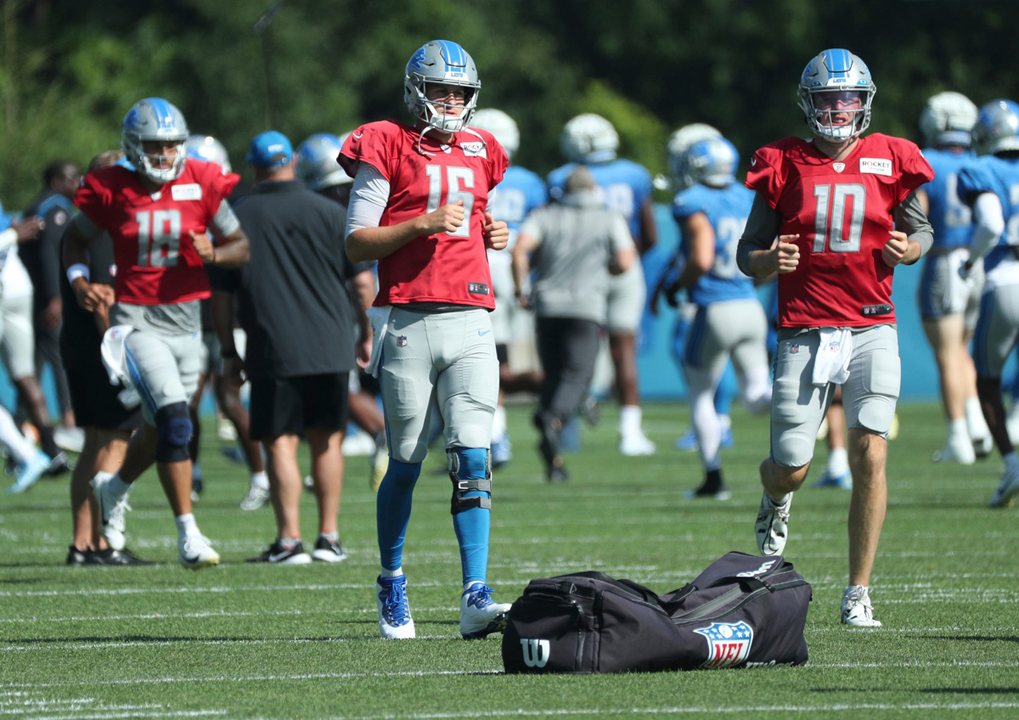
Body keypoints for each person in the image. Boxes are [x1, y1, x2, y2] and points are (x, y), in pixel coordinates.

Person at [736, 49, 934, 627]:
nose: (838, 109)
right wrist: (770, 259)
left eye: (848, 98)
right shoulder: (781, 161)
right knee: (792, 464)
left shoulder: (894, 157)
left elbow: (919, 228)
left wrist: (912, 247)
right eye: (828, 99)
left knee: (871, 447)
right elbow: (748, 254)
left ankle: (857, 590)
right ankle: (775, 496)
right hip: (805, 325)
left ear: (865, 102)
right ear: (809, 103)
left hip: (873, 321)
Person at [339, 39, 512, 640]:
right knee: (406, 459)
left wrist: (495, 231)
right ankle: (391, 577)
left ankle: (475, 591)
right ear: (416, 90)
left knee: (473, 457)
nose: (453, 100)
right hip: (408, 319)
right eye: (442, 89)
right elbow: (357, 241)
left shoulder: (484, 148)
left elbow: (481, 217)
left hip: (471, 316)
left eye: (461, 91)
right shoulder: (385, 141)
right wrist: (417, 224)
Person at [64, 97, 250, 569]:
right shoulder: (111, 186)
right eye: (155, 146)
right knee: (178, 422)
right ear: (133, 145)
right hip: (135, 321)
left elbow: (241, 246)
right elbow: (74, 238)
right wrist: (79, 281)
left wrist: (214, 253)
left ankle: (115, 486)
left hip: (187, 323)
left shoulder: (202, 179)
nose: (165, 156)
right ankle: (188, 533)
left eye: (172, 146)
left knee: (157, 430)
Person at [212, 130, 369, 564]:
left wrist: (228, 352)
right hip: (331, 344)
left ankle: (289, 541)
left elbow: (222, 298)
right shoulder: (332, 212)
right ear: (293, 161)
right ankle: (330, 538)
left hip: (272, 345)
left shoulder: (236, 216)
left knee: (280, 442)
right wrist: (367, 332)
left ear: (253, 166)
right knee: (328, 441)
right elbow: (361, 283)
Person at [657, 136, 772, 500]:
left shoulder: (693, 201)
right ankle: (810, 397)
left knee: (701, 394)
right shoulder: (747, 196)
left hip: (715, 308)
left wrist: (677, 283)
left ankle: (713, 480)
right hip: (750, 305)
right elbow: (768, 262)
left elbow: (702, 257)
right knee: (757, 395)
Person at [512, 166, 635, 481]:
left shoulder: (545, 214)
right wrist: (605, 269)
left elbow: (521, 249)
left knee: (554, 376)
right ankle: (550, 417)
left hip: (547, 306)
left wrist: (520, 288)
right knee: (579, 375)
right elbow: (624, 260)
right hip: (585, 307)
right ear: (592, 190)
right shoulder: (609, 217)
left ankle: (555, 464)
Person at [60, 149, 151, 566]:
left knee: (95, 442)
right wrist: (122, 358)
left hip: (80, 348)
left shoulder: (83, 228)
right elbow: (102, 300)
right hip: (102, 351)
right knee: (114, 440)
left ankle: (84, 542)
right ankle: (99, 541)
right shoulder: (100, 230)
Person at [549, 113, 657, 456]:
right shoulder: (634, 175)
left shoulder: (562, 177)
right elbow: (650, 234)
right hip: (626, 269)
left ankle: (570, 419)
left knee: (575, 350)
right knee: (624, 350)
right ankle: (630, 432)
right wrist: (623, 256)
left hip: (580, 274)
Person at [295, 131, 389, 492]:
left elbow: (360, 278)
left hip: (341, 308)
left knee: (337, 388)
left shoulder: (327, 211)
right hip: (359, 302)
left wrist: (366, 329)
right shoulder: (363, 194)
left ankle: (380, 434)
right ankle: (328, 460)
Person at [184, 133, 270, 509]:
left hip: (225, 313)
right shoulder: (179, 202)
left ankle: (261, 476)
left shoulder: (233, 206)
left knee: (230, 398)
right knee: (186, 400)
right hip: (188, 313)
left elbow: (243, 257)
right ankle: (192, 473)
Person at [915, 92, 993, 465]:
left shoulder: (928, 163)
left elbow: (919, 218)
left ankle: (958, 437)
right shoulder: (979, 161)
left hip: (945, 259)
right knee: (962, 350)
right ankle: (978, 427)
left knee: (947, 355)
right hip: (977, 261)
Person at [469, 109, 546, 468]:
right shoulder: (530, 181)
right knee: (494, 358)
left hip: (486, 264)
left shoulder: (471, 167)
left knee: (488, 358)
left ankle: (496, 438)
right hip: (518, 268)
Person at [957, 99, 1019, 508]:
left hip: (1006, 279)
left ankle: (1012, 464)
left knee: (987, 381)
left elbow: (992, 222)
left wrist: (972, 261)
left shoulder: (982, 170)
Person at [22, 161, 82, 447]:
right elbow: (49, 254)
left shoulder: (36, 205)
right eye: (73, 178)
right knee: (59, 356)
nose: (78, 183)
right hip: (46, 298)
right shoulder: (55, 208)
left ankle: (24, 421)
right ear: (57, 181)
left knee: (32, 362)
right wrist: (56, 296)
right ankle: (68, 420)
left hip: (29, 296)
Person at [0, 210, 53, 493]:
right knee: (25, 375)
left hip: (8, 292)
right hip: (16, 290)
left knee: (25, 374)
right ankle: (34, 450)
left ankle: (30, 452)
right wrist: (12, 234)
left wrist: (11, 234)